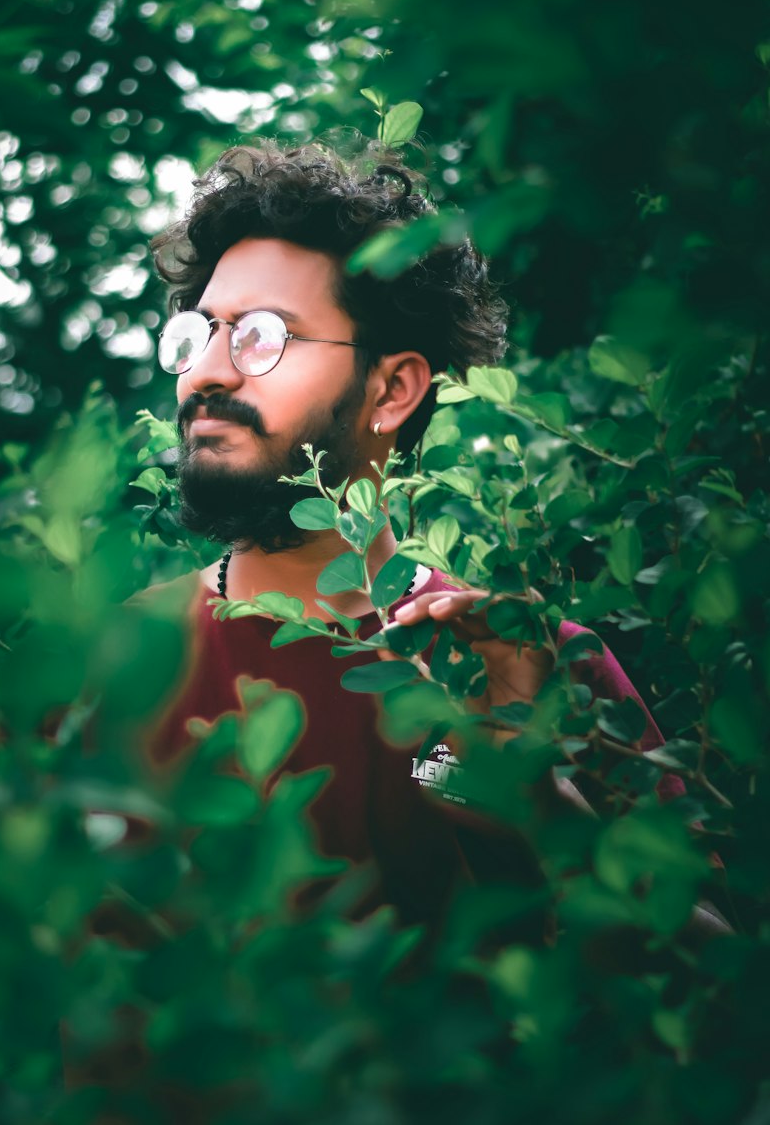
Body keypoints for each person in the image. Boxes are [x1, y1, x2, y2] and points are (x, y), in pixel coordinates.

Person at [132, 140, 698, 934]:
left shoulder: (542, 670)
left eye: (262, 335)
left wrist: (540, 808)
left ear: (393, 389)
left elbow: (719, 1002)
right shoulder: (96, 665)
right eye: (200, 334)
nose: (207, 374)